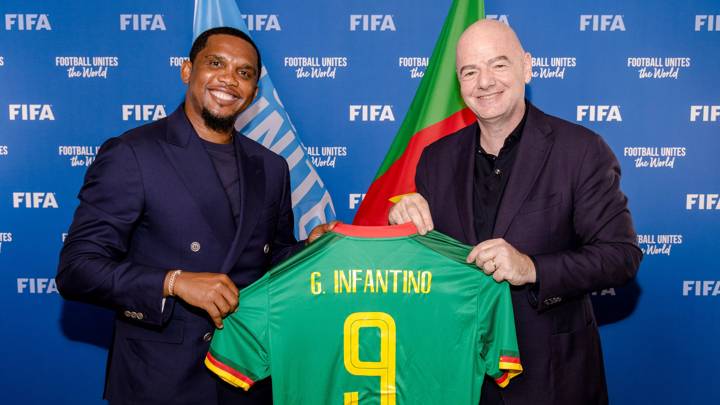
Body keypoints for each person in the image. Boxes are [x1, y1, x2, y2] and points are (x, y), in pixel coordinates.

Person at [57, 27, 332, 405]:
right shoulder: (133, 154)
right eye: (216, 63)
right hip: (161, 380)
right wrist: (173, 282)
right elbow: (78, 269)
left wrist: (310, 250)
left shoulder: (271, 167)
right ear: (187, 71)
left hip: (245, 374)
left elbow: (268, 259)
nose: (229, 79)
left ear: (254, 93)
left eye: (244, 73)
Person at [388, 20, 642, 405]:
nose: (484, 81)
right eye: (470, 71)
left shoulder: (581, 150)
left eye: (498, 64)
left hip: (552, 377)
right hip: (460, 377)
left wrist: (531, 268)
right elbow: (427, 273)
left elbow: (620, 257)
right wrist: (404, 231)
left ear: (527, 66)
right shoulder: (434, 160)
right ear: (460, 85)